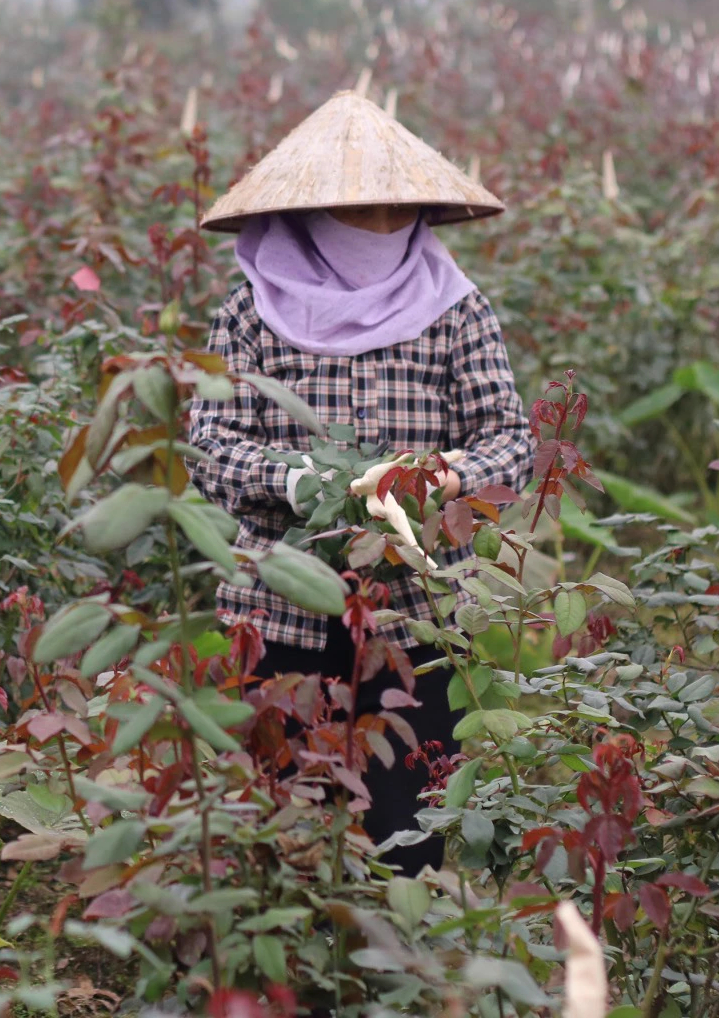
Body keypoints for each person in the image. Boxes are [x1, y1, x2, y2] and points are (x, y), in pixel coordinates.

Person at [186, 89, 533, 875]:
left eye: (394, 213)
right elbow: (208, 445)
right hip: (279, 613)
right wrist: (300, 479)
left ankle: (396, 986)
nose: (379, 232)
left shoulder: (455, 312)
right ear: (307, 219)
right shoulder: (251, 313)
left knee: (407, 836)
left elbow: (509, 439)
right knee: (281, 835)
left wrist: (436, 479)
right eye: (356, 215)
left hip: (417, 619)